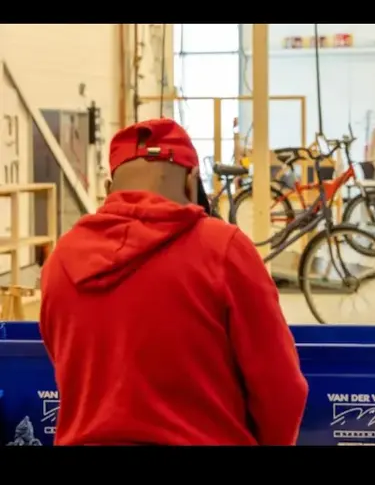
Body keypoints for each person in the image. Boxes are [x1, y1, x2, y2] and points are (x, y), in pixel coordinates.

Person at [39, 118, 309, 445]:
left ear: (109, 191)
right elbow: (281, 388)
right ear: (191, 185)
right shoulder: (224, 251)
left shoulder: (60, 261)